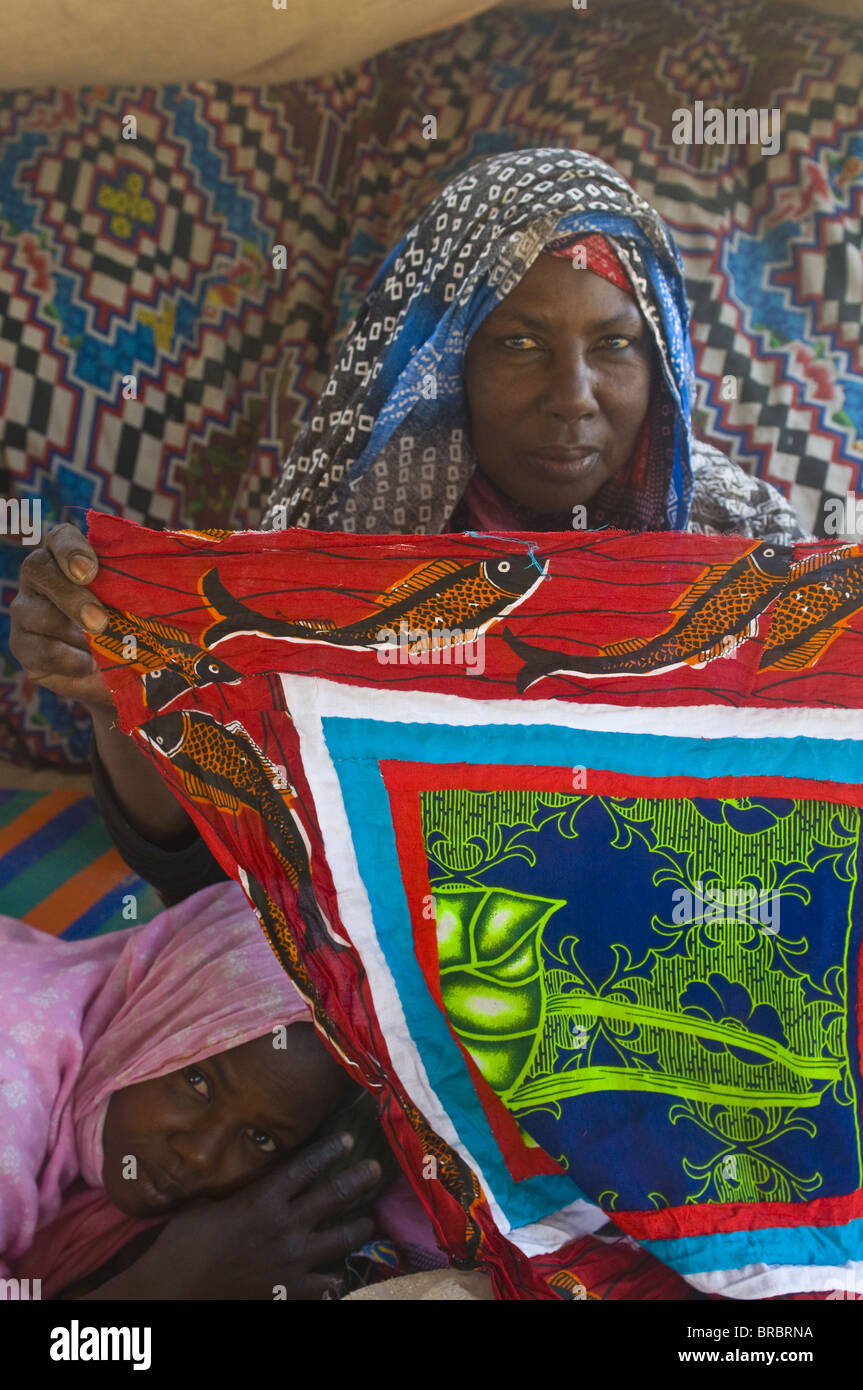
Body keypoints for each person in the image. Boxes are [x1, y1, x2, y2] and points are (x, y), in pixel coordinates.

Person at [9, 144, 811, 902]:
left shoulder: (743, 550)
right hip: (387, 935)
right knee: (283, 1054)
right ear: (443, 360)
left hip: (661, 929)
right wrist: (115, 693)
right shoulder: (341, 539)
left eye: (613, 343)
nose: (572, 394)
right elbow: (210, 871)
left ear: (661, 356)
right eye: (520, 342)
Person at [0, 879, 386, 1300]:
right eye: (198, 1082)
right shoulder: (13, 1083)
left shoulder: (109, 1051)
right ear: (157, 1017)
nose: (200, 1154)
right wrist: (165, 1285)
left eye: (261, 1139)